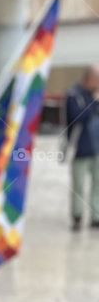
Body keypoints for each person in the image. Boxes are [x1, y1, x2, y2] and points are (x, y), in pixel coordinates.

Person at [64, 67, 99, 230]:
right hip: (80, 149)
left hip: (97, 149)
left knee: (97, 184)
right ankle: (77, 216)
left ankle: (96, 216)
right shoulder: (74, 95)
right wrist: (94, 101)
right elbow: (77, 116)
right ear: (89, 78)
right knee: (78, 185)